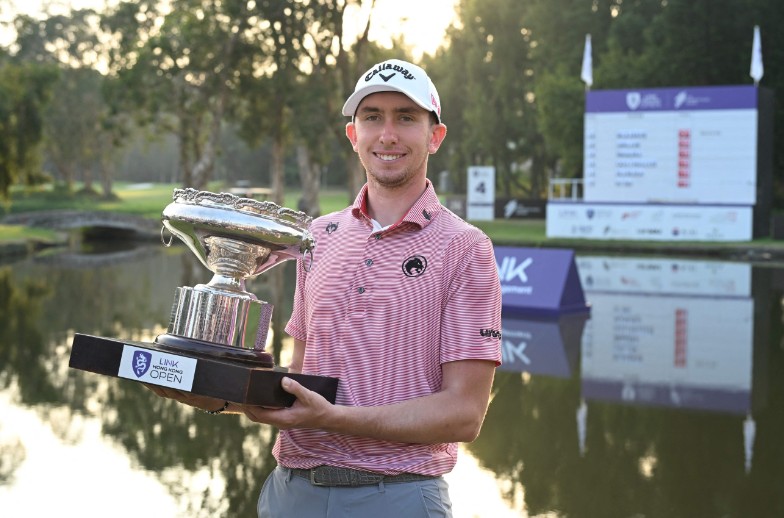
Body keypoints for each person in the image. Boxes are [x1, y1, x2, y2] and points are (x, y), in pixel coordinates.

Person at [150, 58, 502, 518]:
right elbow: (299, 386)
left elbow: (464, 414)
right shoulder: (317, 237)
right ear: (353, 135)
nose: (388, 134)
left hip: (398, 496)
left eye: (407, 118)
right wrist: (207, 391)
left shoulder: (465, 247)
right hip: (291, 493)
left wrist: (333, 419)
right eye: (372, 116)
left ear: (434, 136)